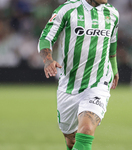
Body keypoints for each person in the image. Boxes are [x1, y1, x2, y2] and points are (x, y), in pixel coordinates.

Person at [38, 0, 119, 149]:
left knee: (87, 129)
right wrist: (47, 60)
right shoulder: (68, 10)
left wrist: (114, 68)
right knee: (71, 141)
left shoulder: (112, 14)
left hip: (98, 83)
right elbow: (46, 38)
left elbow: (112, 42)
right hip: (69, 85)